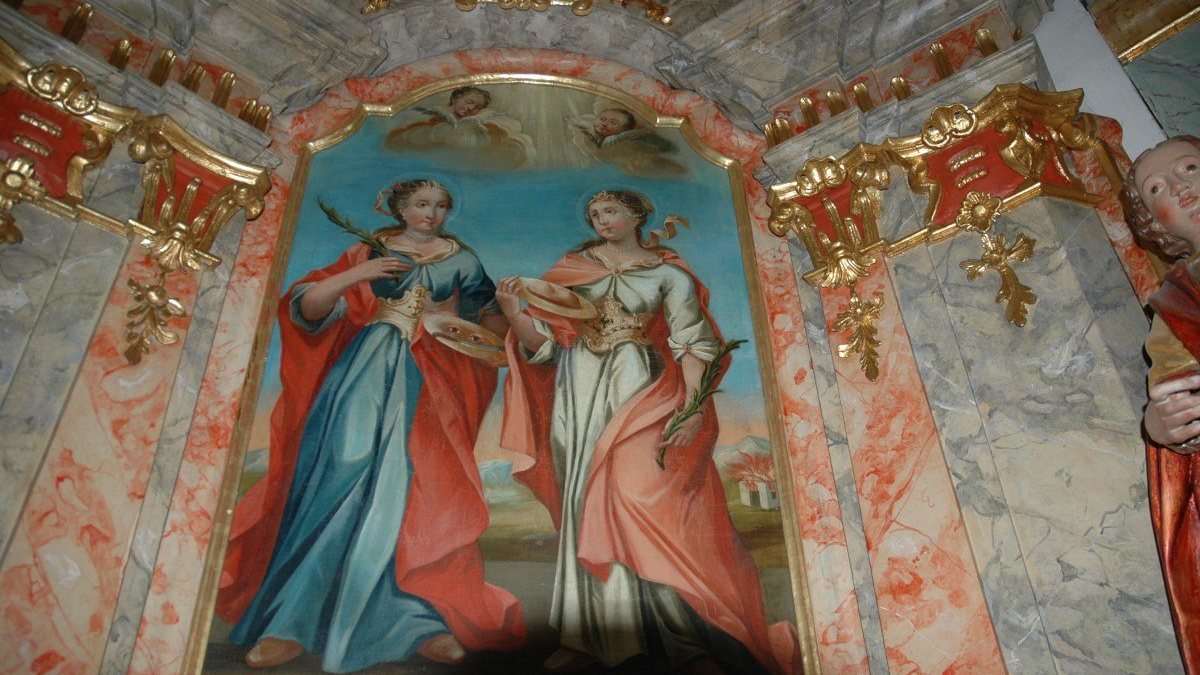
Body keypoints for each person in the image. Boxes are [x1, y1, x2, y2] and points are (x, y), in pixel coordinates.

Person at [216, 179, 525, 671]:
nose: (433, 214)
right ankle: (292, 621)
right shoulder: (370, 248)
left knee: (415, 489)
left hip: (433, 379)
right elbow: (308, 308)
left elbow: (489, 327)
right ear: (401, 207)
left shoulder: (463, 259)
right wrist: (357, 273)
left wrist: (491, 336)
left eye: (441, 205)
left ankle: (415, 620)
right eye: (422, 204)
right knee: (343, 473)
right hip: (366, 370)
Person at [496, 190, 798, 674]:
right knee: (583, 497)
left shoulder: (668, 275)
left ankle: (681, 639)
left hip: (642, 384)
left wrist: (694, 408)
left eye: (611, 211)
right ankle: (586, 636)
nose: (602, 220)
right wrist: (513, 311)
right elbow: (545, 347)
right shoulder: (573, 269)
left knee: (638, 496)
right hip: (579, 389)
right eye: (594, 214)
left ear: (636, 215)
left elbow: (693, 344)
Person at [1123, 135, 1200, 674]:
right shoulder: (1176, 302)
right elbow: (1176, 387)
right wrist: (1161, 426)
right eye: (1157, 189)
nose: (1179, 185)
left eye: (1190, 167)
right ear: (1158, 225)